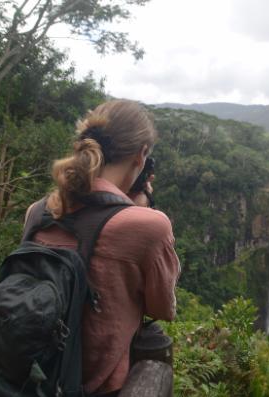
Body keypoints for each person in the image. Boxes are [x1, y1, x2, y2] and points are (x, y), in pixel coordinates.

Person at [26, 99, 180, 396]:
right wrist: (141, 209)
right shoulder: (150, 225)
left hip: (27, 378)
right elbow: (164, 309)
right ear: (142, 154)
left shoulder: (37, 212)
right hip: (96, 388)